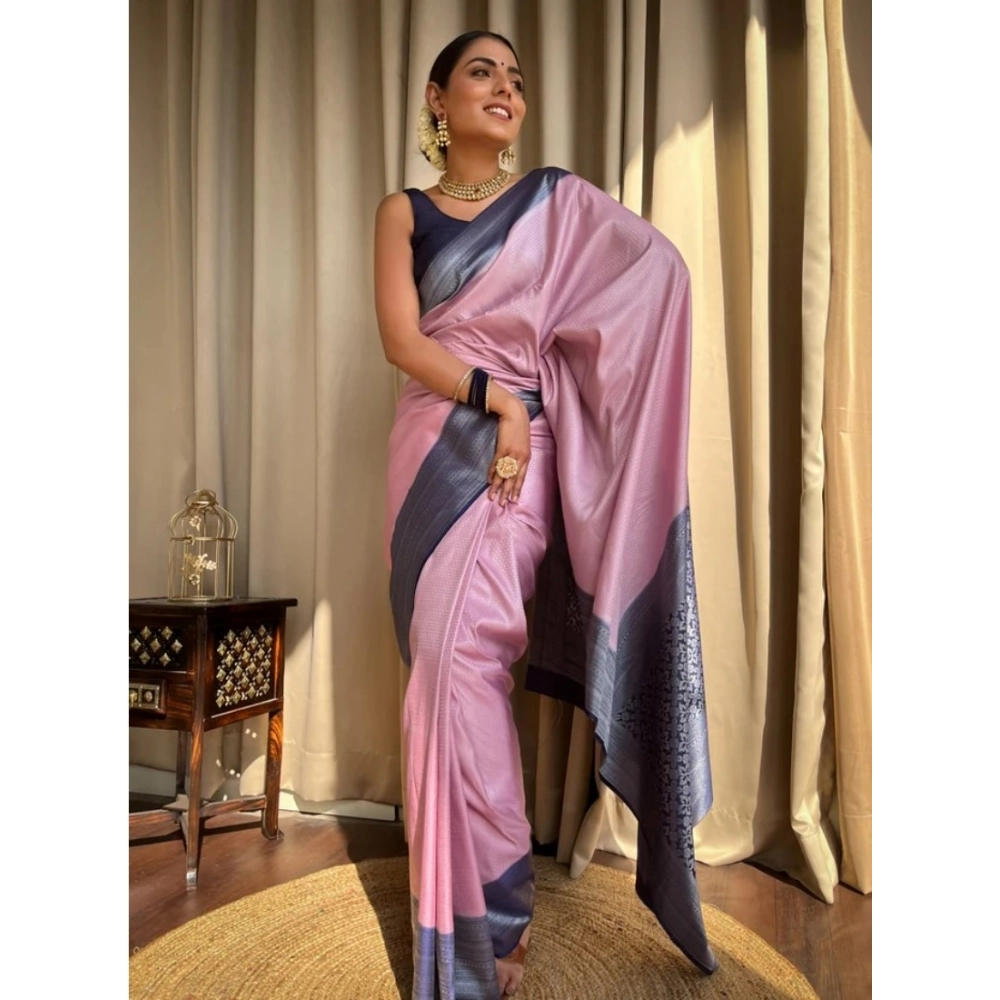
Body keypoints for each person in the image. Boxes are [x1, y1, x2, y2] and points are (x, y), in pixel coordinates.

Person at [374, 30, 717, 1000]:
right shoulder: (402, 212)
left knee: (465, 666)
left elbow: (659, 276)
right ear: (436, 99)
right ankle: (467, 917)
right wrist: (497, 398)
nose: (504, 88)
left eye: (516, 79)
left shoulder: (555, 207)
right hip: (432, 451)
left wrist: (532, 402)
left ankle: (493, 916)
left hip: (512, 461)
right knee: (436, 677)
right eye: (481, 72)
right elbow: (401, 339)